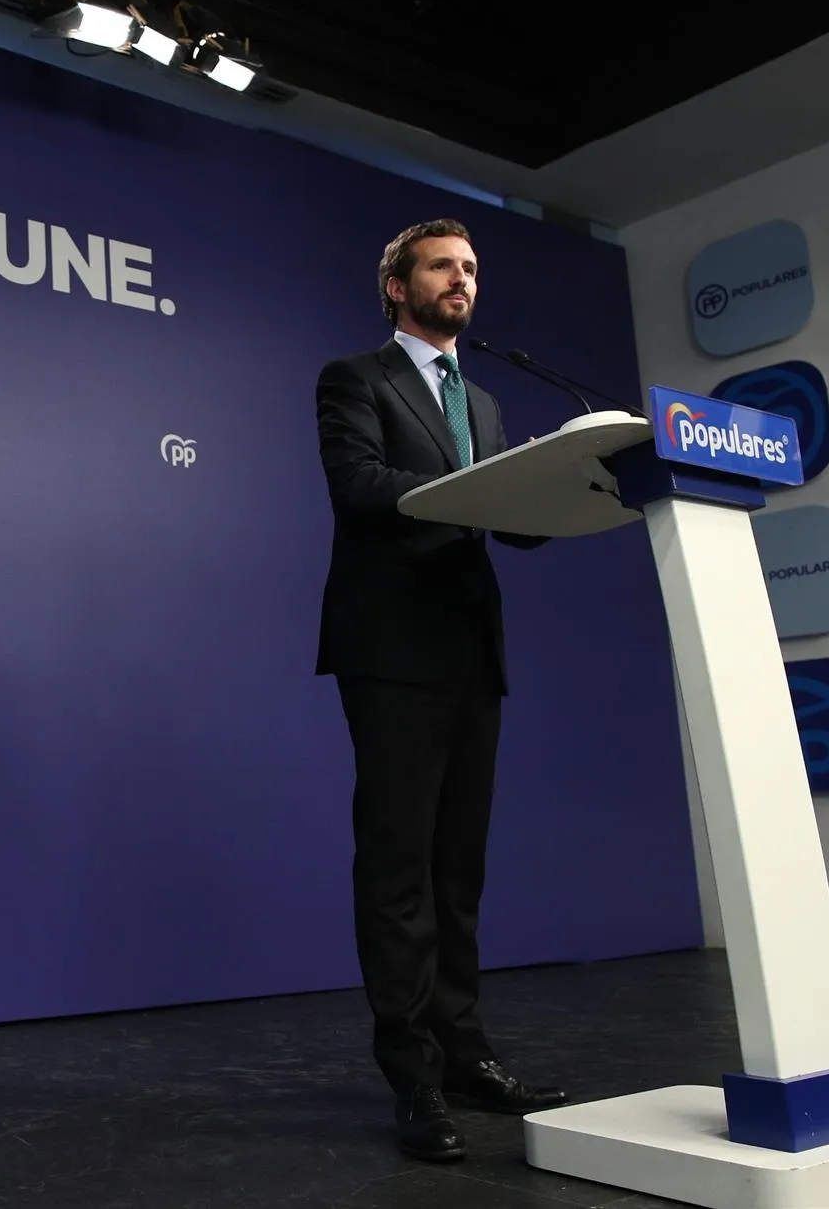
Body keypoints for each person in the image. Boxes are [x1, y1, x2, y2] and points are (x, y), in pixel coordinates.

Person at [313, 218, 569, 1162]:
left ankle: (466, 1052)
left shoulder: (489, 403)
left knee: (458, 871)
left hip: (472, 652)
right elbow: (360, 487)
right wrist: (475, 486)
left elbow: (515, 527)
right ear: (397, 286)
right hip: (393, 650)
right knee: (399, 873)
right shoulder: (356, 378)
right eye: (441, 266)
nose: (461, 280)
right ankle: (412, 1076)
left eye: (470, 268)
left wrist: (562, 482)